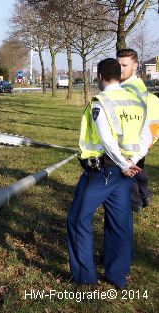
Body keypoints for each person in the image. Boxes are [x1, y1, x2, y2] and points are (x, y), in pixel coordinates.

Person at [67, 58, 151, 289]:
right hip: (126, 175)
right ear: (119, 75)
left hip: (103, 172)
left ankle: (85, 278)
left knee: (77, 220)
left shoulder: (100, 102)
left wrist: (124, 164)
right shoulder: (136, 102)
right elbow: (147, 136)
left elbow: (107, 139)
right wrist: (132, 161)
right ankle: (117, 276)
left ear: (100, 76)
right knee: (120, 224)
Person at [117, 48, 159, 212]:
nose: (120, 69)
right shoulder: (135, 87)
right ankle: (144, 195)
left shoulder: (131, 89)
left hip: (134, 140)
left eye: (125, 65)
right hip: (142, 138)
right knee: (138, 168)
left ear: (135, 66)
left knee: (129, 172)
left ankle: (135, 203)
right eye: (118, 64)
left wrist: (149, 138)